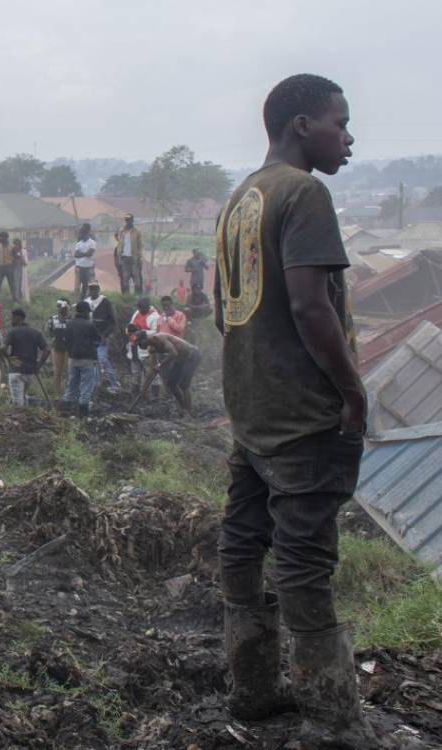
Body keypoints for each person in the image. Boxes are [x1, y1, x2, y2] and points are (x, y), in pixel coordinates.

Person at [213, 75, 402, 746]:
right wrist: (351, 392)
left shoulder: (239, 199)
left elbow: (225, 317)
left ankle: (253, 692)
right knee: (302, 563)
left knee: (241, 546)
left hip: (252, 411)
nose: (347, 138)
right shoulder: (304, 193)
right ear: (301, 125)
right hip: (303, 417)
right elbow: (308, 304)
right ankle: (328, 719)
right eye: (338, 123)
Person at [132, 329, 200, 415]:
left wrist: (160, 364)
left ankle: (189, 412)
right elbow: (153, 369)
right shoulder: (152, 349)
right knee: (171, 383)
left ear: (145, 339)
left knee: (184, 385)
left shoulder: (160, 338)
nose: (139, 346)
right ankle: (183, 408)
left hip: (192, 355)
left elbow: (173, 353)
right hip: (181, 358)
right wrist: (144, 388)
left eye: (140, 343)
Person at [62, 301, 102, 417]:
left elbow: (66, 342)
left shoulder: (69, 324)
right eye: (88, 311)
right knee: (86, 388)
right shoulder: (89, 325)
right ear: (85, 311)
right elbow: (97, 341)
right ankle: (82, 417)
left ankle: (65, 414)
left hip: (72, 359)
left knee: (71, 386)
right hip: (87, 359)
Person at [2, 309, 48, 406]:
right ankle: (25, 417)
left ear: (18, 318)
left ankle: (19, 419)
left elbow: (2, 348)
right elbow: (47, 350)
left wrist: (9, 359)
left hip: (16, 371)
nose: (11, 321)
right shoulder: (36, 332)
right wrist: (38, 366)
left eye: (12, 318)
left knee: (18, 403)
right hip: (30, 373)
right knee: (22, 396)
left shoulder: (13, 332)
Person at [85, 282, 120, 392]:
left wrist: (106, 335)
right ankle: (96, 384)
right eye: (91, 289)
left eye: (95, 289)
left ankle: (114, 383)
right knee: (93, 361)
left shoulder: (105, 302)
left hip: (101, 337)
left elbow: (112, 321)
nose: (92, 292)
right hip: (90, 337)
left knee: (102, 359)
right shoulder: (86, 302)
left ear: (98, 290)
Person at [127, 296, 162, 383]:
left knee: (152, 374)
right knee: (136, 374)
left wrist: (143, 332)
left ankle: (154, 396)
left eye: (140, 307)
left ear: (147, 306)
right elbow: (130, 326)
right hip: (134, 348)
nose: (139, 309)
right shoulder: (137, 313)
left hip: (147, 351)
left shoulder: (155, 316)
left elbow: (156, 332)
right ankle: (136, 395)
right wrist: (129, 331)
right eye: (138, 307)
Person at [46, 299, 73, 398]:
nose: (63, 309)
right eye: (61, 307)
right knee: (57, 371)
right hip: (57, 346)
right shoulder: (52, 319)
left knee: (69, 371)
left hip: (69, 347)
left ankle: (69, 394)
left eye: (65, 308)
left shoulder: (72, 319)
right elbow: (49, 332)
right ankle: (57, 394)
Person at [114, 213, 144, 296]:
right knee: (125, 278)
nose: (127, 222)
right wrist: (119, 255)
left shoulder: (137, 232)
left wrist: (140, 257)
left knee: (136, 278)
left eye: (129, 220)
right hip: (124, 257)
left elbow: (140, 245)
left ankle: (138, 297)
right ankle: (126, 297)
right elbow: (120, 242)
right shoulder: (121, 231)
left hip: (134, 257)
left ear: (132, 221)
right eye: (126, 220)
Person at [72, 224, 97, 299]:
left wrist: (81, 254)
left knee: (91, 284)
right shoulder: (79, 242)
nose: (81, 235)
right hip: (80, 266)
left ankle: (91, 298)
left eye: (83, 232)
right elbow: (76, 254)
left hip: (89, 266)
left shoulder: (92, 241)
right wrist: (84, 254)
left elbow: (90, 253)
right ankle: (81, 298)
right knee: (82, 284)